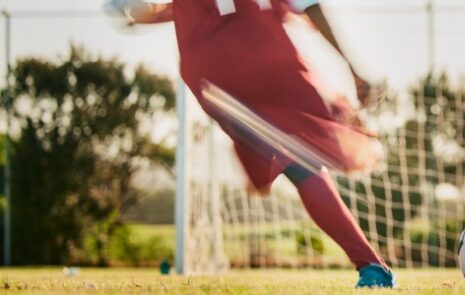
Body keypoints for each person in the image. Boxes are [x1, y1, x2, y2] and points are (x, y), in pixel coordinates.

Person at [105, 0, 394, 287]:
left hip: (214, 78)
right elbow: (310, 7)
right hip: (271, 61)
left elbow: (162, 10)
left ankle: (369, 264)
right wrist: (351, 67)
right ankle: (370, 265)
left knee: (296, 163)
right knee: (302, 164)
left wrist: (133, 13)